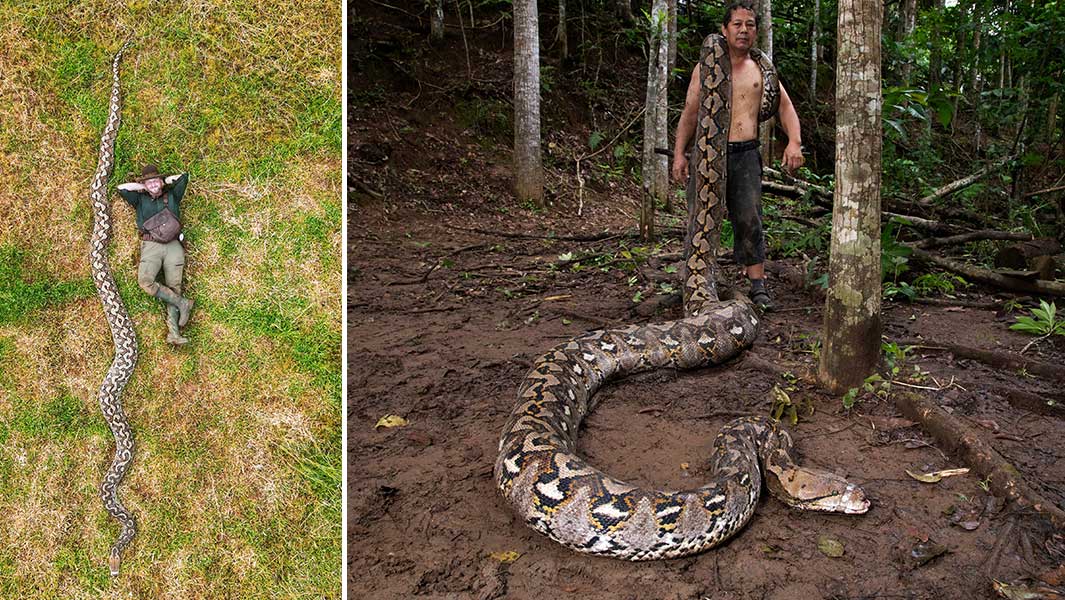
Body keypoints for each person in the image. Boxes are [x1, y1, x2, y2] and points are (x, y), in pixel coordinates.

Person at [672, 1, 804, 311]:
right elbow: (690, 113)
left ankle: (757, 286)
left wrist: (794, 141)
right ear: (724, 30)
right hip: (708, 153)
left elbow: (785, 108)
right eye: (737, 24)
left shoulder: (761, 70)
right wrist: (679, 153)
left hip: (745, 153)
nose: (744, 30)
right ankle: (698, 283)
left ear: (756, 31)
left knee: (749, 218)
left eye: (750, 25)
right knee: (700, 219)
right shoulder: (704, 69)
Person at [117, 164, 194, 345]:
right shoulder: (139, 199)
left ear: (161, 181)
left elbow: (183, 176)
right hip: (151, 245)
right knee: (145, 281)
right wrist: (143, 185)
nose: (152, 185)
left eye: (155, 181)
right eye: (148, 182)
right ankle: (182, 303)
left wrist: (164, 182)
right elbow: (121, 188)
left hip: (174, 245)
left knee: (174, 287)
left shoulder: (173, 195)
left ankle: (174, 334)